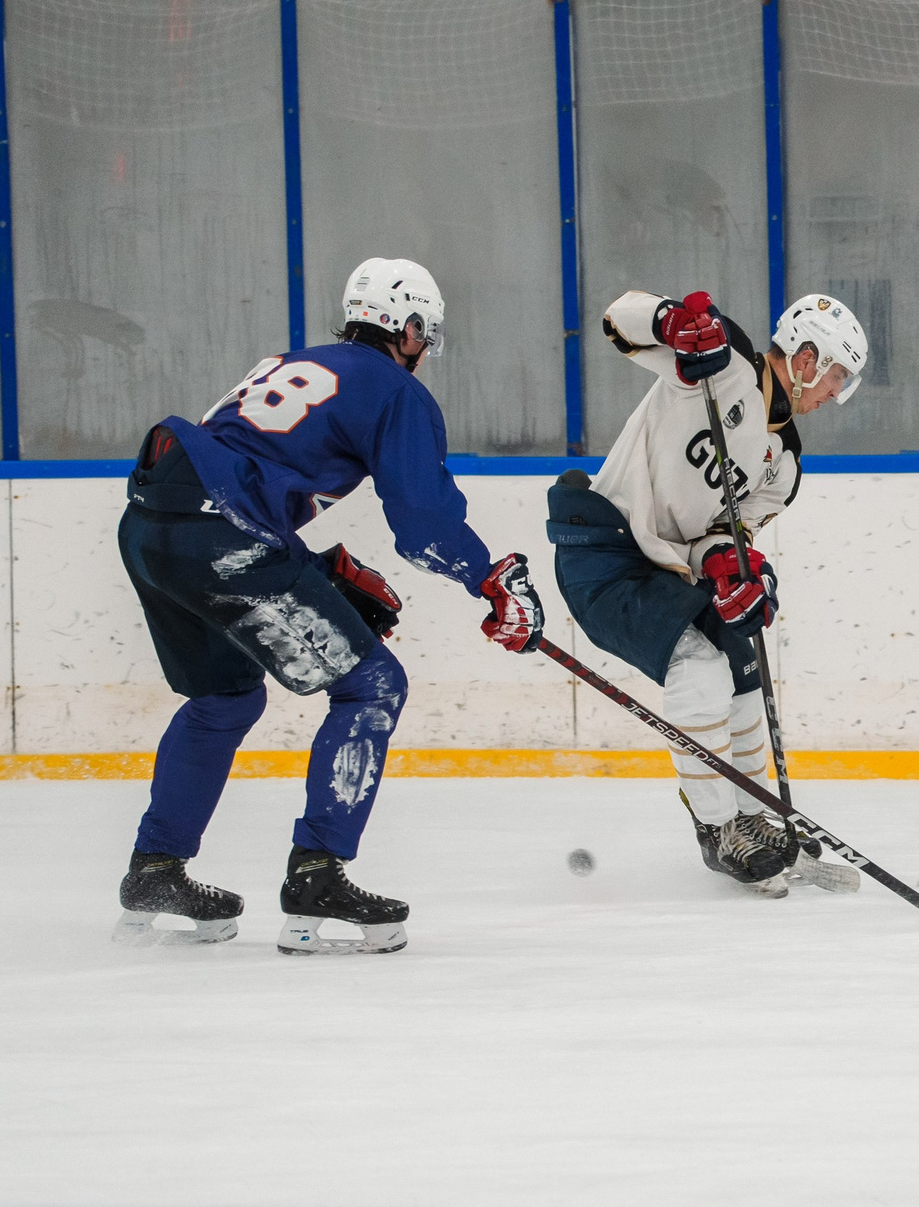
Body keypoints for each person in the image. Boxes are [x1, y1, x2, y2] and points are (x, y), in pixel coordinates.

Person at [112, 257, 545, 954]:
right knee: (373, 683)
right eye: (423, 337)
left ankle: (155, 869)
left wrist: (312, 570)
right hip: (223, 534)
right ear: (405, 328)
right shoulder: (393, 390)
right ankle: (317, 873)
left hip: (149, 529)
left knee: (225, 697)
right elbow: (422, 522)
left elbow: (234, 471)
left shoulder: (286, 362)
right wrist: (490, 578)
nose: (424, 352)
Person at [547, 289, 866, 895]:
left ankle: (748, 812)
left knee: (742, 664)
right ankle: (717, 829)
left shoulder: (785, 464)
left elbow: (723, 535)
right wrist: (671, 321)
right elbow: (620, 321)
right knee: (698, 671)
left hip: (668, 569)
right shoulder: (724, 360)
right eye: (837, 377)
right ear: (805, 360)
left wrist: (737, 567)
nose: (834, 395)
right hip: (604, 552)